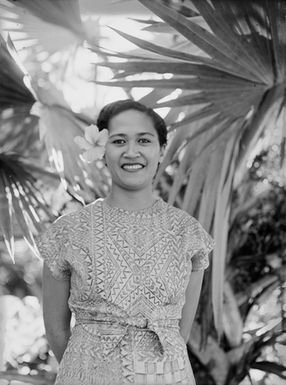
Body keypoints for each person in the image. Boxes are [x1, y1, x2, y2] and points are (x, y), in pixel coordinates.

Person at [36, 99, 214, 385]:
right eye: (119, 141)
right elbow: (56, 331)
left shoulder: (187, 233)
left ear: (161, 150)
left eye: (144, 140)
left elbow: (181, 330)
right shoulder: (68, 232)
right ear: (101, 150)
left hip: (168, 376)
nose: (132, 152)